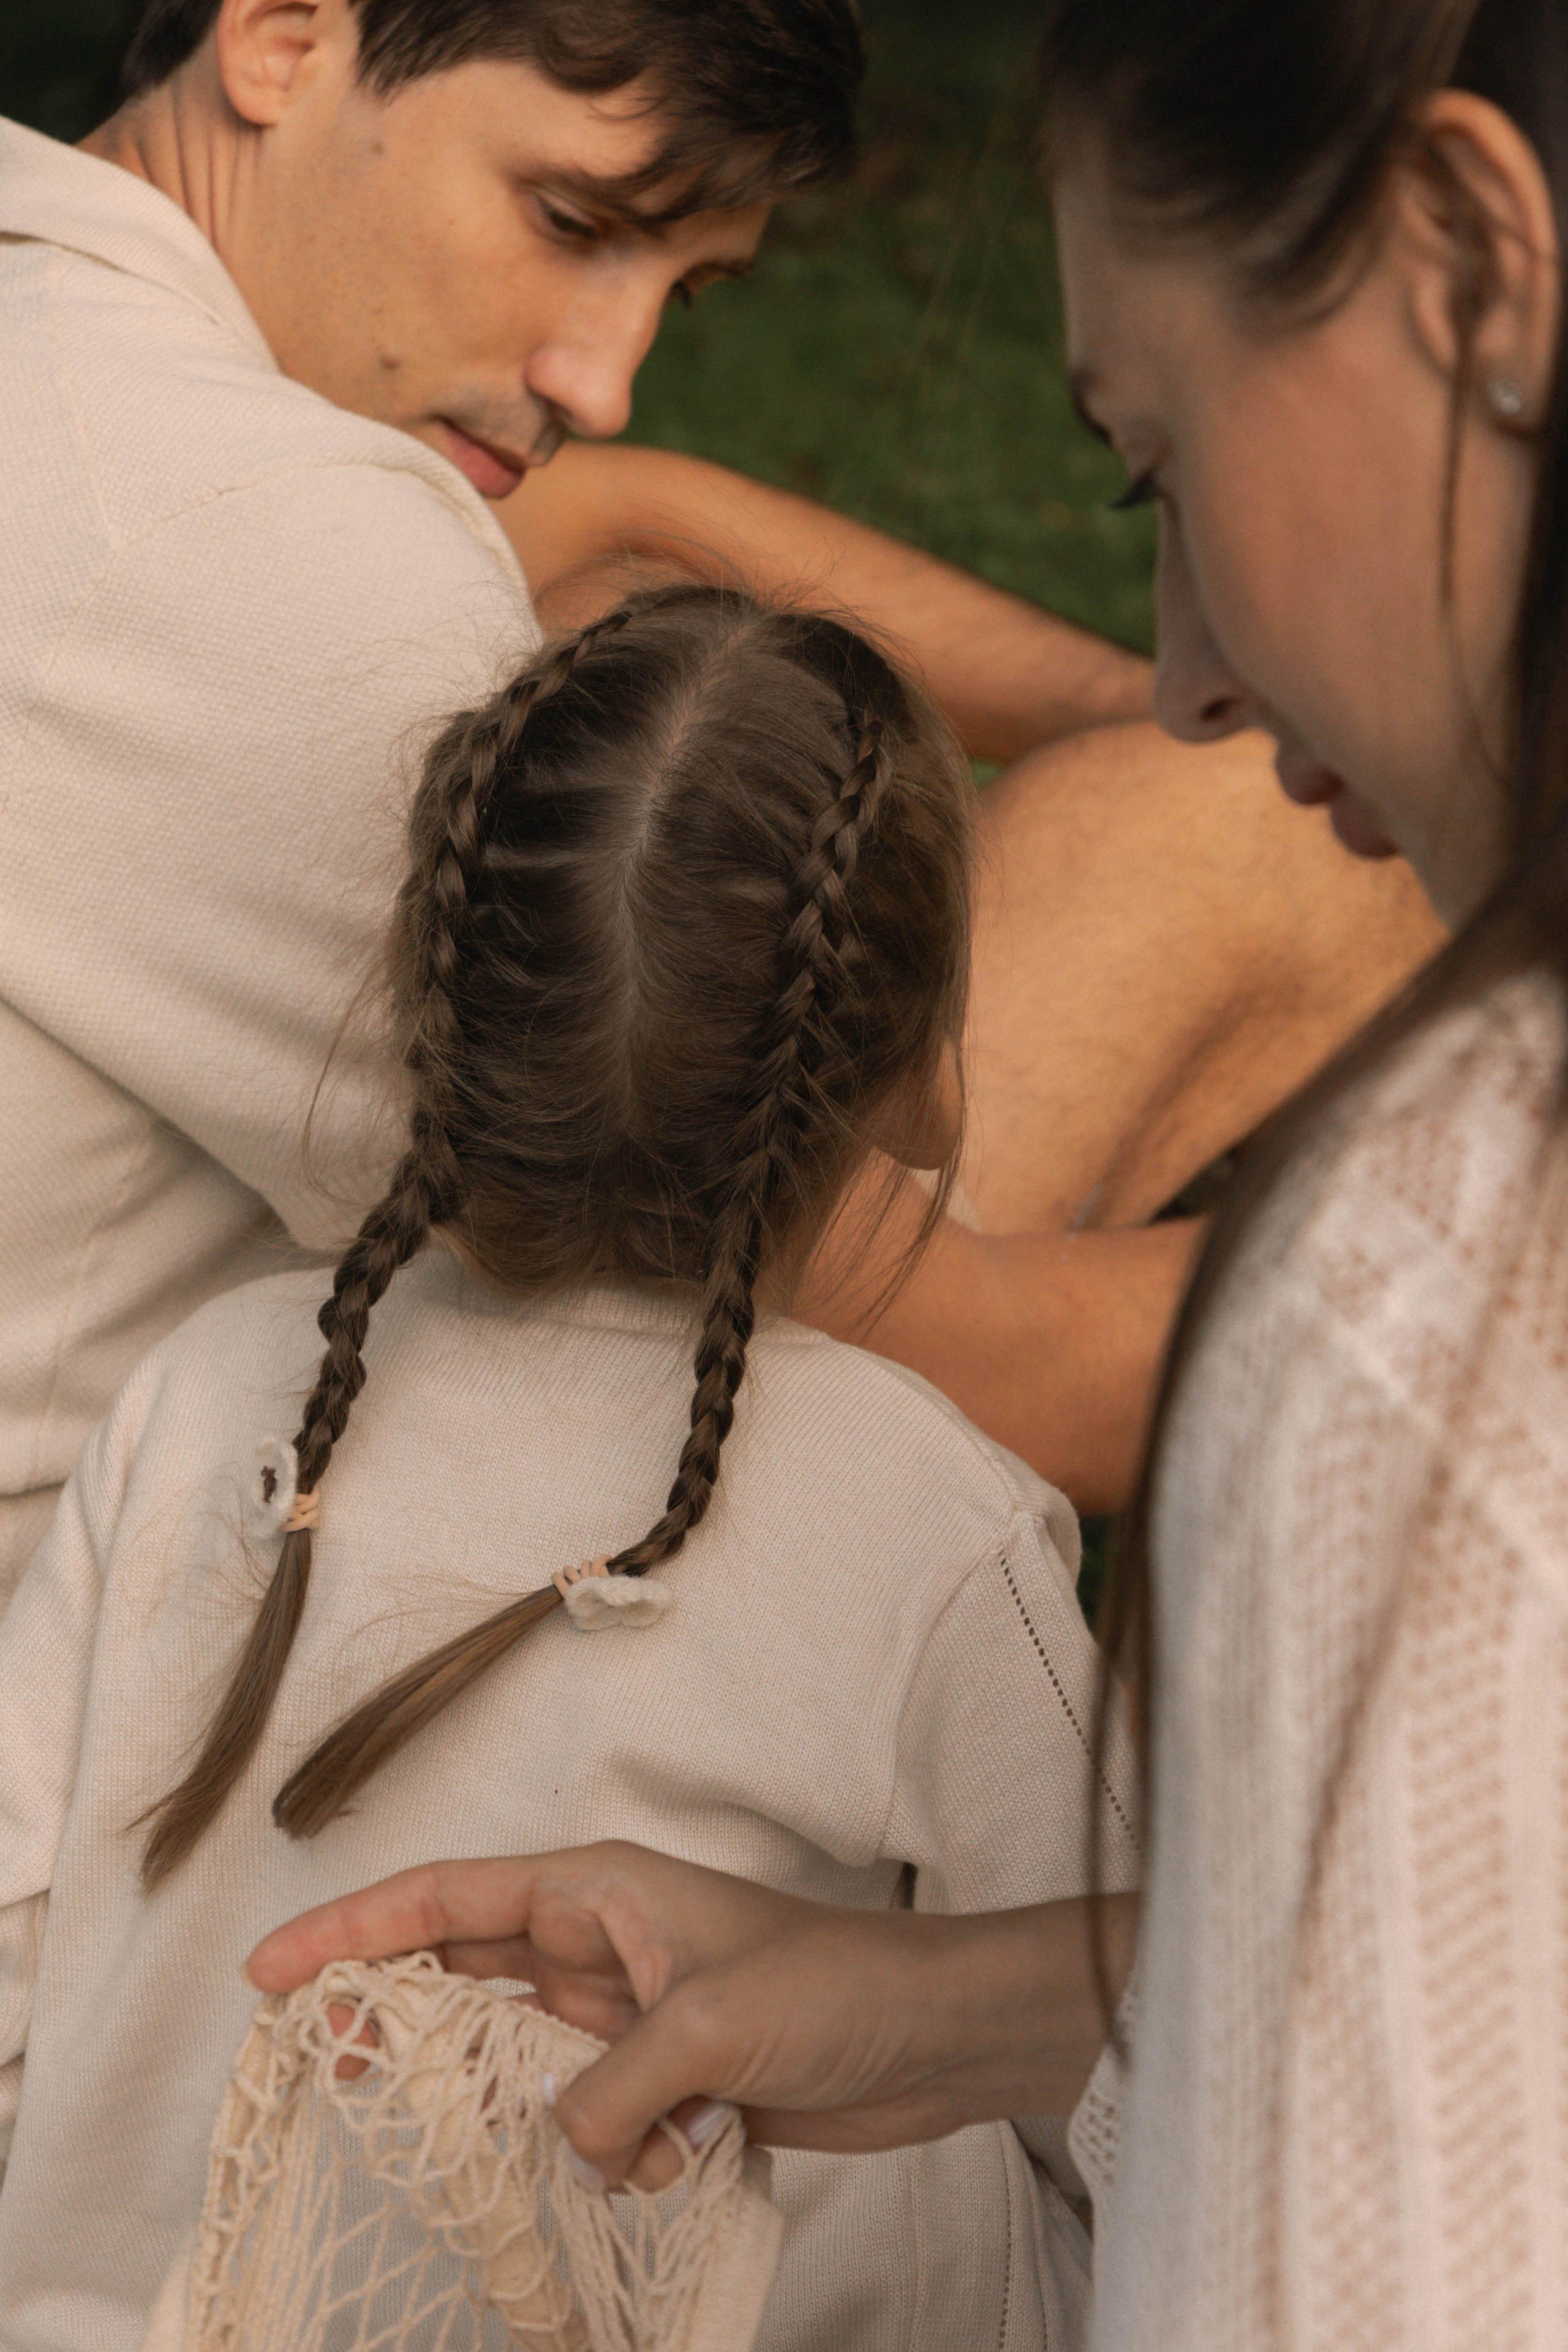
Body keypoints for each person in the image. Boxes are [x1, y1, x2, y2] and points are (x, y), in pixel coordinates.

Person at [247, 1, 1568, 2345]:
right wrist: (946, 2001)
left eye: (1159, 474)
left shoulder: (1417, 1307)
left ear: (1480, 261)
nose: (1183, 677)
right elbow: (1453, 1975)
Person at [0, 0, 1442, 1602]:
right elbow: (984, 1369)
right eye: (569, 221)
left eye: (678, 287)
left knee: (623, 597)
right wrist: (1498, 1266)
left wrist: (1147, 697)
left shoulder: (70, 344)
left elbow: (602, 508)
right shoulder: (258, 551)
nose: (606, 378)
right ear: (285, 33)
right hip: (132, 1751)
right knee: (1253, 842)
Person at [0, 588, 1142, 2351]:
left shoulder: (212, 1389)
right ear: (921, 1082)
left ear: (438, 1014)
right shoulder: (932, 1526)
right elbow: (1144, 2063)